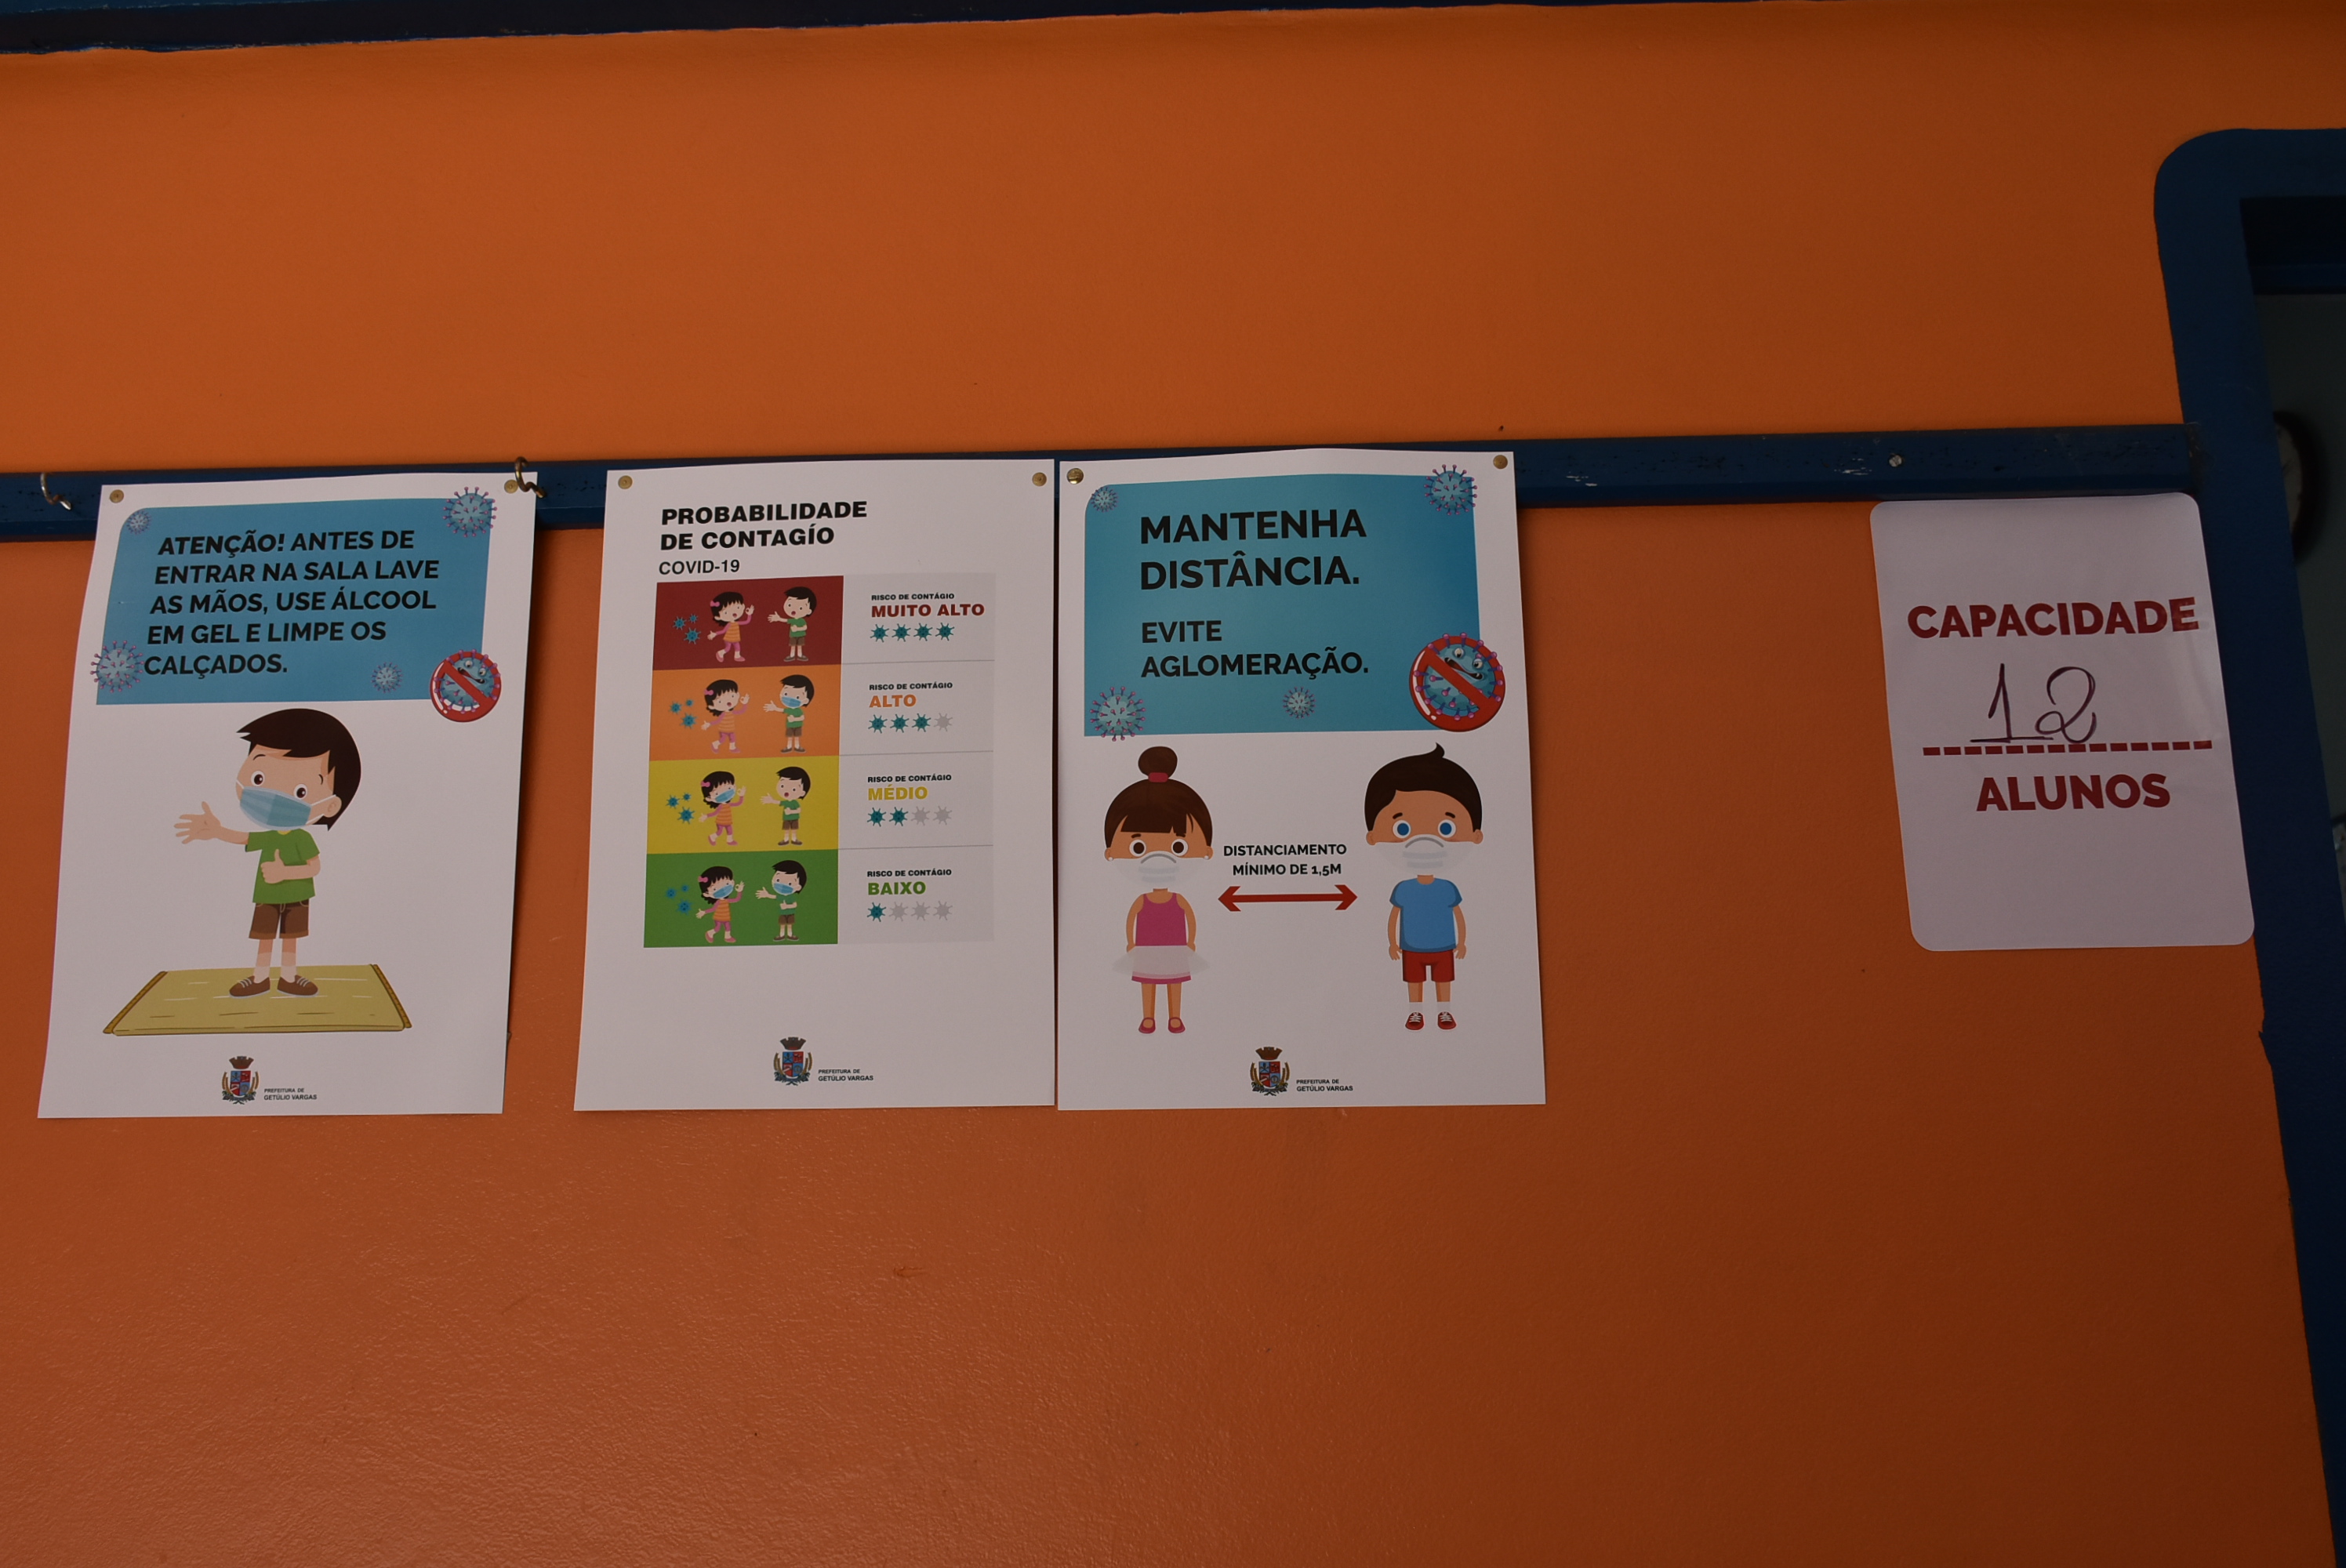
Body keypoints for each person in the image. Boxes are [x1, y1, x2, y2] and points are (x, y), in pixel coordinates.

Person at [172, 707, 363, 999]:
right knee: (265, 938)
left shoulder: (301, 838)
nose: (275, 798)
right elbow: (244, 838)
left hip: (297, 896)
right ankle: (260, 978)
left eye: (300, 792)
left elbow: (314, 867)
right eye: (259, 778)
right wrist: (218, 830)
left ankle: (289, 977)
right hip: (267, 896)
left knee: (290, 939)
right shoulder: (271, 836)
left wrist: (286, 873)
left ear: (330, 806)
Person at [1363, 744, 1484, 1032]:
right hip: (1411, 947)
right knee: (1414, 981)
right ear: (1372, 836)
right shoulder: (1403, 889)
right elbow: (1395, 916)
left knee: (1444, 980)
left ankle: (1445, 1012)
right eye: (1402, 829)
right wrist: (1393, 942)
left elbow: (1458, 916)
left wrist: (1462, 942)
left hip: (1444, 946)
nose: (1425, 841)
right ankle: (1415, 1013)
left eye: (1446, 828)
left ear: (1476, 835)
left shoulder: (1448, 887)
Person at [1103, 746, 1215, 1035]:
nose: (1159, 858)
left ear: (1208, 850)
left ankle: (1175, 1017)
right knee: (1148, 982)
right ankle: (1149, 1018)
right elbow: (1131, 919)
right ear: (1110, 852)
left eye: (1178, 846)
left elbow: (1190, 918)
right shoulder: (1143, 900)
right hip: (1147, 948)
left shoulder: (1178, 899)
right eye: (1138, 847)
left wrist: (1192, 941)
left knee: (1174, 982)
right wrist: (1131, 942)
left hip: (1175, 947)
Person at [755, 859, 809, 941]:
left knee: (790, 925)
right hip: (782, 914)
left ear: (798, 887)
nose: (782, 885)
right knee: (782, 925)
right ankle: (781, 935)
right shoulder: (781, 896)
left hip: (790, 914)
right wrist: (767, 895)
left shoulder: (791, 897)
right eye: (778, 880)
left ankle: (790, 935)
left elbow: (795, 905)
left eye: (790, 884)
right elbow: (775, 897)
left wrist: (787, 906)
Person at [764, 673, 815, 753]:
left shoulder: (799, 710)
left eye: (797, 697)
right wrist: (775, 708)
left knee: (797, 737)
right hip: (790, 726)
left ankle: (797, 747)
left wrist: (794, 719)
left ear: (805, 701)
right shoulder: (789, 710)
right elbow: (782, 710)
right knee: (789, 737)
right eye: (786, 694)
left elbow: (802, 717)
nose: (790, 699)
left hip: (798, 726)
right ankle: (789, 747)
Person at [763, 766, 812, 846]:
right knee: (786, 830)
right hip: (786, 819)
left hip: (794, 818)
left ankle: (794, 839)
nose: (787, 791)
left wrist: (791, 812)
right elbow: (779, 802)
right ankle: (786, 840)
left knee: (794, 830)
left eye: (794, 789)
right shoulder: (785, 802)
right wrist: (772, 800)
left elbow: (799, 810)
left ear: (802, 793)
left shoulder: (795, 802)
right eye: (782, 786)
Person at [768, 585, 817, 662]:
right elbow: (786, 620)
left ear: (809, 611)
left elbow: (805, 627)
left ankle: (800, 656)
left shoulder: (802, 620)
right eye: (790, 605)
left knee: (800, 646)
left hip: (800, 635)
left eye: (800, 608)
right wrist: (779, 619)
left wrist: (797, 629)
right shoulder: (793, 620)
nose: (794, 610)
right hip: (793, 636)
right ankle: (792, 656)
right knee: (793, 646)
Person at [695, 866, 740, 943]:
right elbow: (713, 909)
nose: (722, 889)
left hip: (726, 917)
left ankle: (727, 937)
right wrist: (704, 912)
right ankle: (710, 933)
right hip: (718, 917)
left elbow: (737, 899)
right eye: (715, 889)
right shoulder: (718, 902)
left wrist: (739, 891)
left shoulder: (726, 901)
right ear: (707, 894)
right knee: (717, 928)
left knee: (728, 927)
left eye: (727, 883)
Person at [710, 590, 756, 664]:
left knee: (738, 647)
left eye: (738, 607)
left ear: (743, 606)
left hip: (735, 638)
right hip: (728, 639)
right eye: (726, 612)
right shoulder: (729, 624)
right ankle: (720, 653)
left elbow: (747, 622)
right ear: (718, 617)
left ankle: (737, 657)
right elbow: (723, 631)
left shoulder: (736, 623)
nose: (734, 613)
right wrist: (715, 634)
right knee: (728, 648)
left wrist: (749, 614)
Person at [700, 771, 740, 847]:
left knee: (730, 831)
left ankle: (730, 841)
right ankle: (712, 837)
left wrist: (741, 796)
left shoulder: (729, 805)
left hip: (728, 821)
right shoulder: (721, 806)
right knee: (720, 832)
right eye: (717, 793)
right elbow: (715, 813)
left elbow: (738, 803)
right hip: (720, 822)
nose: (725, 794)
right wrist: (707, 816)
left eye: (729, 788)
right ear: (709, 798)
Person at [704, 678, 743, 753]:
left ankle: (732, 748)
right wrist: (709, 724)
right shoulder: (723, 714)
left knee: (733, 738)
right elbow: (717, 721)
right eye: (720, 701)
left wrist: (745, 704)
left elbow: (741, 711)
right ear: (712, 706)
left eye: (732, 696)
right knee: (722, 740)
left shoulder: (731, 712)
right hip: (723, 730)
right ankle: (715, 744)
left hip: (731, 729)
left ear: (737, 695)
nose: (728, 702)